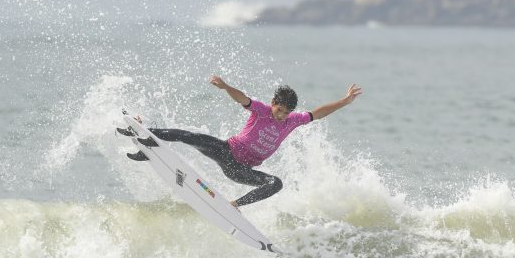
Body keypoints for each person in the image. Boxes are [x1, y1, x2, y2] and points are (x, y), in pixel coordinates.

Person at [120, 75, 362, 208]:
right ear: (273, 103)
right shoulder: (261, 110)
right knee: (188, 136)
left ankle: (235, 204)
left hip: (240, 170)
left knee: (275, 183)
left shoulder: (293, 120)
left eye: (285, 112)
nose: (281, 115)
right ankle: (144, 138)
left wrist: (344, 101)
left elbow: (318, 113)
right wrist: (226, 87)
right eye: (279, 109)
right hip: (226, 151)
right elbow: (242, 98)